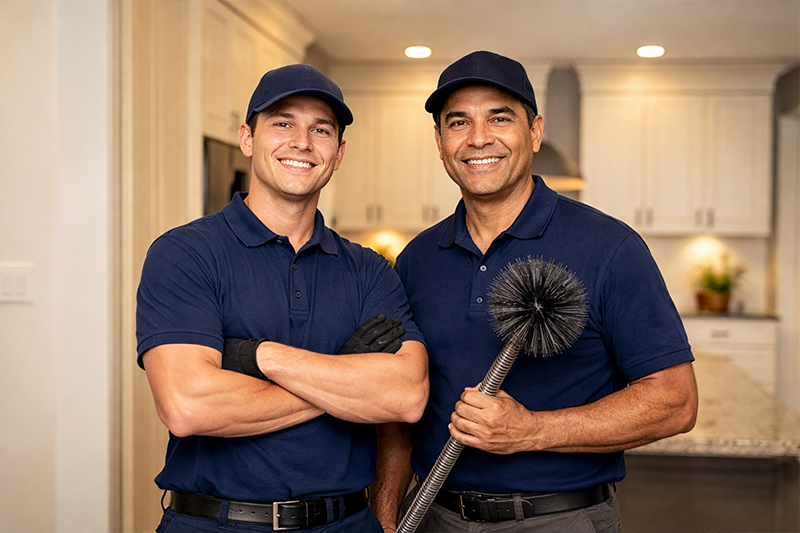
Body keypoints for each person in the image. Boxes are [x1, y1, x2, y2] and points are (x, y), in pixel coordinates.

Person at [370, 51, 699, 533]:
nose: (478, 138)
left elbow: (675, 401)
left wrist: (531, 430)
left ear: (535, 131)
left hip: (559, 518)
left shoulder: (610, 247)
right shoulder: (418, 259)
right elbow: (400, 408)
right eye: (458, 122)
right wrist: (383, 515)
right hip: (434, 516)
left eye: (499, 118)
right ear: (440, 142)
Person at [136, 63, 429, 533]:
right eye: (283, 123)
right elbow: (188, 405)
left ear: (338, 154)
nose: (302, 142)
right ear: (247, 138)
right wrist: (343, 376)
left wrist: (259, 356)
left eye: (321, 130)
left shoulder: (370, 269)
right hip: (216, 524)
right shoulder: (185, 253)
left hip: (346, 524)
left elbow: (406, 396)